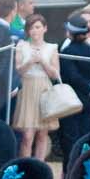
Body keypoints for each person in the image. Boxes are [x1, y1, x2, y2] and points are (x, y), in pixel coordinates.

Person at [57, 14, 90, 173]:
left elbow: (71, 76)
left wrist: (87, 87)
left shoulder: (67, 50)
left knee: (70, 138)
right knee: (83, 136)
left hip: (71, 102)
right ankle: (81, 173)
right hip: (89, 100)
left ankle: (69, 173)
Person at [10, 14, 59, 162]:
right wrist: (30, 61)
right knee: (27, 135)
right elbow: (18, 71)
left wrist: (43, 62)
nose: (34, 31)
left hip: (44, 88)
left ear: (45, 28)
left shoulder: (52, 47)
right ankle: (24, 168)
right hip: (27, 88)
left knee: (43, 134)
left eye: (37, 27)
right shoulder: (21, 46)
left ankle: (39, 167)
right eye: (31, 28)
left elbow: (55, 74)